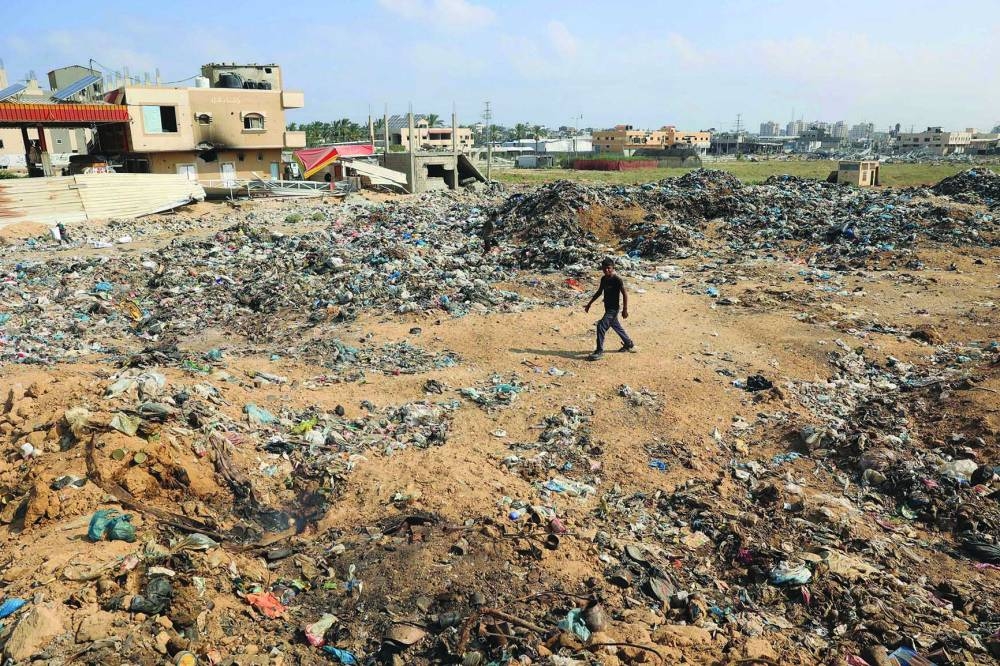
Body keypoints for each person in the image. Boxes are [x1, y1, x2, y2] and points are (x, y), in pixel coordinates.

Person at [584, 258, 635, 360]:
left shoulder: (617, 280)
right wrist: (589, 304)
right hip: (607, 308)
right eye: (604, 268)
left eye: (608, 268)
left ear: (613, 268)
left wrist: (625, 309)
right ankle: (628, 343)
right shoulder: (603, 279)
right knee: (616, 325)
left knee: (601, 326)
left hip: (613, 309)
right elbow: (599, 292)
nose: (606, 270)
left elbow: (624, 294)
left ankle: (599, 351)